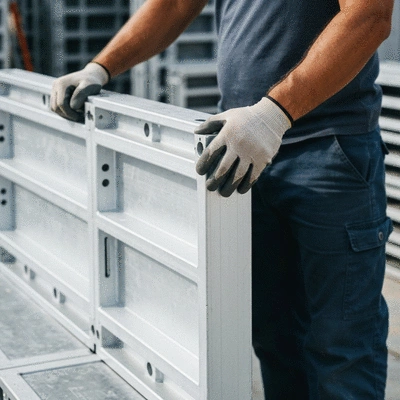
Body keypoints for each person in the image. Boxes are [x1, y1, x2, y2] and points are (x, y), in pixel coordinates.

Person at [51, 0, 394, 398]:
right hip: (242, 149)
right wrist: (100, 67)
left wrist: (273, 115)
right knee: (276, 337)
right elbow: (176, 4)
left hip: (326, 150)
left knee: (343, 342)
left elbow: (368, 16)